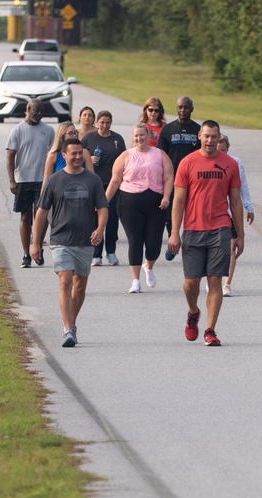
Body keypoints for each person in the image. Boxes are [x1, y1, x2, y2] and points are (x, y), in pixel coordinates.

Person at [167, 120, 244, 346]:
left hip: (220, 229)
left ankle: (210, 330)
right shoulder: (187, 163)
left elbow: (236, 201)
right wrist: (174, 232)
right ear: (199, 136)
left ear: (219, 138)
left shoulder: (229, 164)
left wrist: (240, 235)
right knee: (190, 283)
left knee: (215, 281)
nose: (210, 141)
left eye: (214, 137)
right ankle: (193, 313)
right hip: (193, 229)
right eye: (207, 136)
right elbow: (178, 200)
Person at [30, 137, 108, 348]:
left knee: (80, 287)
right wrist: (35, 242)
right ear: (63, 156)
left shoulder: (93, 180)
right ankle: (67, 330)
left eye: (79, 153)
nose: (76, 156)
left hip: (85, 240)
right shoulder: (54, 181)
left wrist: (100, 229)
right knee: (65, 281)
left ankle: (72, 323)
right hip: (60, 239)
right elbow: (41, 213)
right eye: (72, 153)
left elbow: (102, 208)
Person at [104, 125, 174, 292]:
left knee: (153, 243)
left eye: (142, 135)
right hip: (130, 202)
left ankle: (148, 266)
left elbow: (169, 177)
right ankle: (135, 280)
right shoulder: (125, 156)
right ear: (132, 137)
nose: (139, 139)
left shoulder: (160, 154)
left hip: (156, 202)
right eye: (136, 136)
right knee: (135, 241)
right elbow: (115, 180)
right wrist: (104, 201)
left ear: (148, 135)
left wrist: (166, 197)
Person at [5, 99, 52, 268]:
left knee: (42, 215)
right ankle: (26, 254)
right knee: (25, 217)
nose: (39, 114)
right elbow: (10, 156)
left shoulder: (48, 131)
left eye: (42, 111)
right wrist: (12, 180)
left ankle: (37, 247)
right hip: (23, 180)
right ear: (28, 109)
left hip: (42, 180)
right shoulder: (17, 130)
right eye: (36, 111)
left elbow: (53, 155)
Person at [156, 96, 202, 260]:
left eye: (186, 107)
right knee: (171, 212)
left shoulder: (198, 130)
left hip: (195, 180)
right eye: (180, 107)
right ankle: (173, 241)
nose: (183, 110)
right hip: (173, 179)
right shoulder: (168, 130)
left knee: (193, 211)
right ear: (176, 109)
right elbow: (161, 155)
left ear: (192, 109)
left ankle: (191, 243)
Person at [82, 111, 126, 266]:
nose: (105, 126)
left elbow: (124, 159)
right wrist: (88, 159)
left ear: (111, 122)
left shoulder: (117, 139)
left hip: (113, 184)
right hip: (95, 183)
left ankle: (111, 251)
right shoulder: (89, 138)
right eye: (102, 122)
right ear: (97, 122)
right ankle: (96, 254)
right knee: (95, 218)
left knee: (113, 217)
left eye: (107, 122)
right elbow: (78, 157)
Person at [220, 134, 255, 296]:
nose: (221, 154)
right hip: (215, 212)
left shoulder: (235, 163)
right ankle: (213, 280)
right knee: (215, 248)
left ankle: (227, 283)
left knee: (231, 247)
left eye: (224, 150)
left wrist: (249, 207)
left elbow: (243, 187)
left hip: (231, 211)